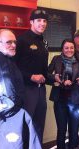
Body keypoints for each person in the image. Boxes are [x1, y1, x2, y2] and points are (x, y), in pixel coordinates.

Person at [0, 29, 41, 149]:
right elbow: (8, 97)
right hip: (5, 119)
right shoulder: (0, 62)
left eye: (14, 42)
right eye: (9, 42)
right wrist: (18, 114)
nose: (13, 45)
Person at [14, 9, 49, 142]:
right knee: (25, 125)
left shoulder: (43, 42)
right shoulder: (22, 40)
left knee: (39, 125)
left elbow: (43, 70)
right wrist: (30, 77)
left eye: (45, 21)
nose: (42, 23)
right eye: (39, 20)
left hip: (41, 90)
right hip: (27, 90)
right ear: (31, 22)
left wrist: (54, 78)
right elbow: (14, 68)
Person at [48, 39, 79, 149]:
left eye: (71, 48)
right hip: (60, 99)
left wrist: (73, 82)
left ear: (74, 49)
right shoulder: (56, 59)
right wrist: (55, 77)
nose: (69, 50)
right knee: (61, 128)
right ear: (62, 49)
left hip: (75, 99)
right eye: (66, 48)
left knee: (74, 129)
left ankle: (72, 147)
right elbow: (47, 73)